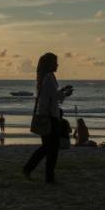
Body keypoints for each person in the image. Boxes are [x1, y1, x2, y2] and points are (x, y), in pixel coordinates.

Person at [23, 52, 72, 183]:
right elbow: (54, 97)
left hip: (45, 115)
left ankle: (31, 170)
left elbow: (50, 95)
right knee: (52, 149)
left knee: (47, 147)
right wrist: (66, 94)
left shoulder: (44, 77)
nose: (57, 64)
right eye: (55, 62)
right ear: (50, 64)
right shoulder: (49, 77)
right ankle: (47, 177)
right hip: (50, 117)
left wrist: (62, 91)